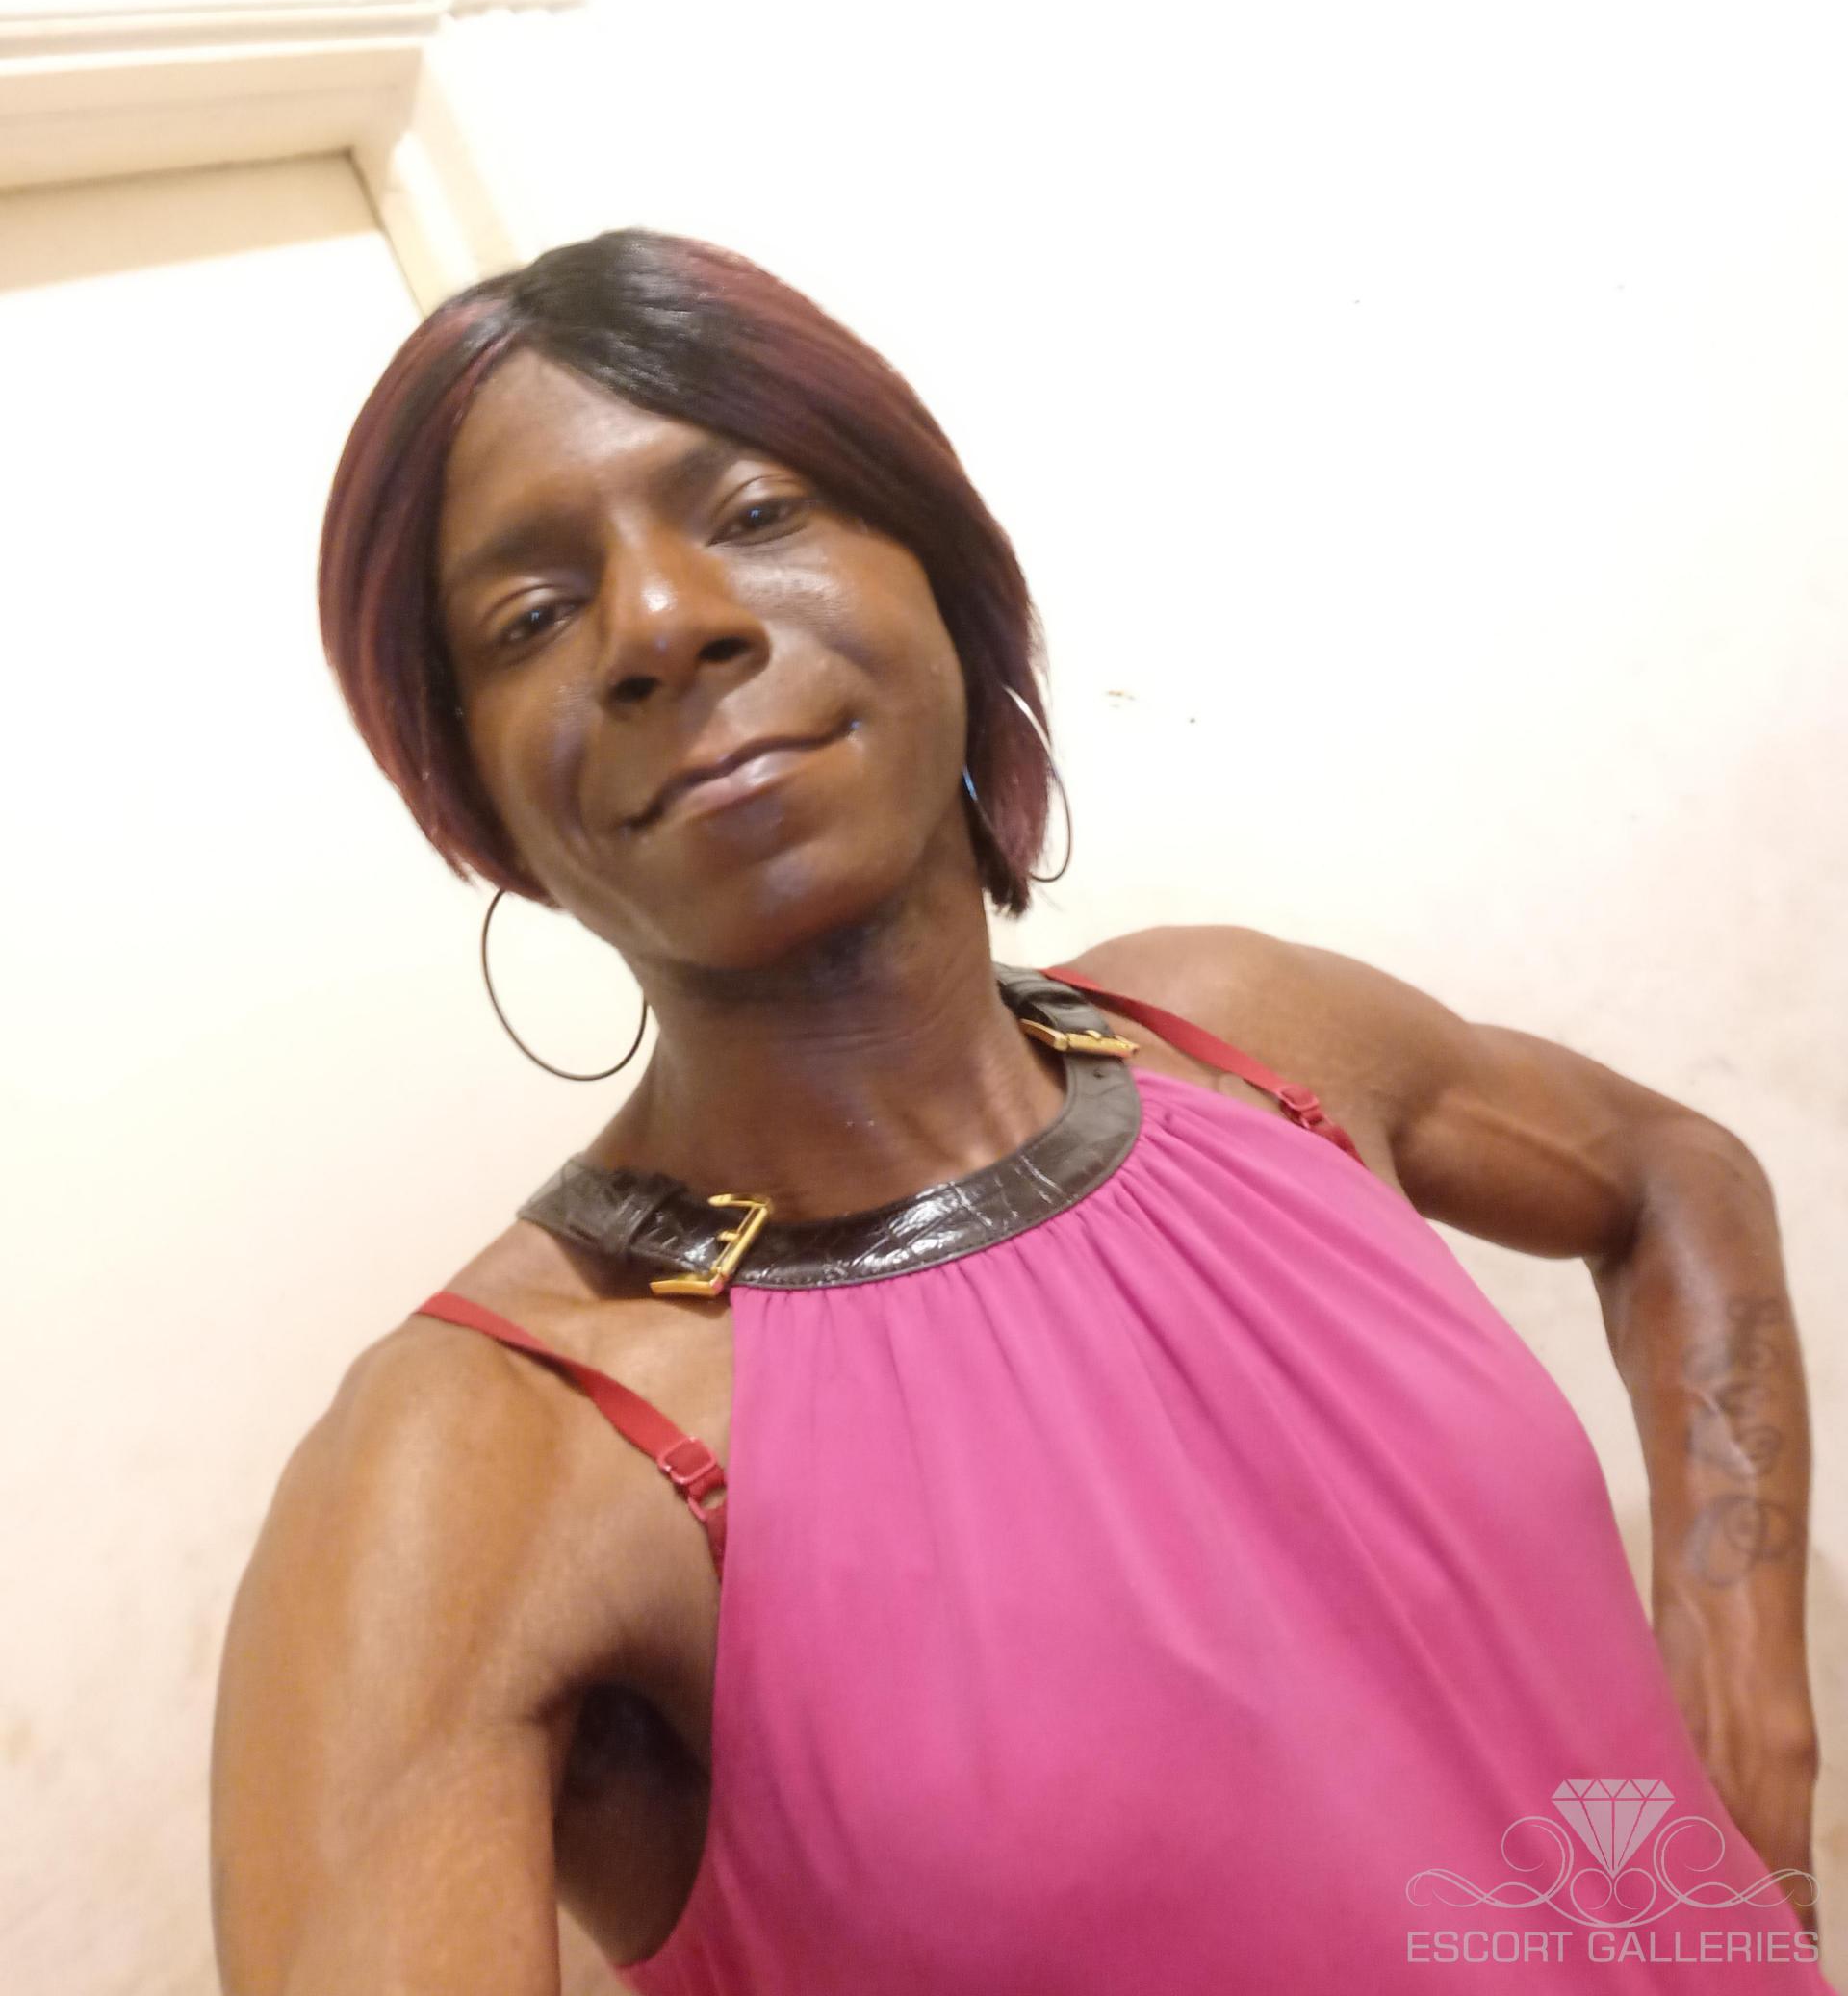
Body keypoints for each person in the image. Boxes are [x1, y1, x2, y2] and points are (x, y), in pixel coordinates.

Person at [210, 230, 1829, 1994]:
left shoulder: (1245, 1041)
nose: (663, 623)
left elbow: (1676, 1177)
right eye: (531, 618)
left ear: (942, 576)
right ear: (475, 796)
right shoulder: (478, 1463)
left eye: (753, 510)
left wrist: (1746, 1699)